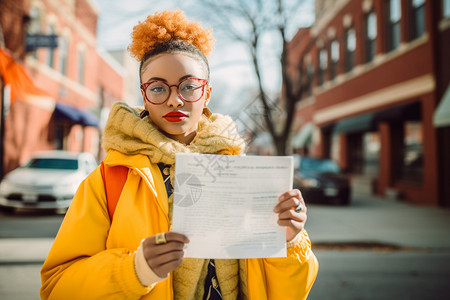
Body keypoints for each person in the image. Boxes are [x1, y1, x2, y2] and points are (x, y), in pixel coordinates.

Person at [40, 10, 318, 300]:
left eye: (189, 87)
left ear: (207, 93)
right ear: (144, 95)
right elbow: (57, 287)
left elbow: (290, 292)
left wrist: (289, 239)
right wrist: (135, 270)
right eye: (158, 88)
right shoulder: (109, 181)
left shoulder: (245, 177)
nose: (175, 99)